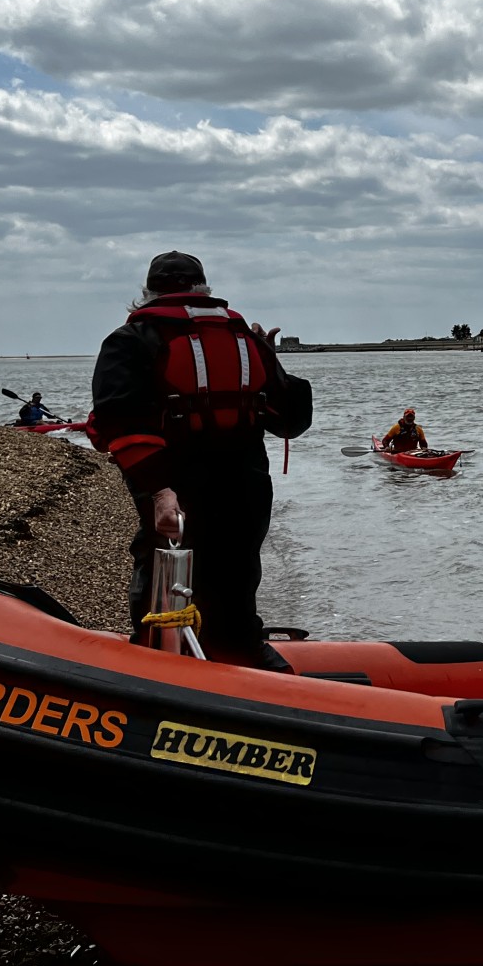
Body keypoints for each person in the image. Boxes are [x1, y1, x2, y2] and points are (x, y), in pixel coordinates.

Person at [90, 251, 313, 670]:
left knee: (165, 579)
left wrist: (159, 491)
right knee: (237, 578)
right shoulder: (246, 339)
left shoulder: (132, 339)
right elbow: (293, 421)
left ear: (148, 294)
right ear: (204, 290)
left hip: (176, 487)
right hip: (246, 486)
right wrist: (269, 355)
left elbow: (117, 421)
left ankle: (166, 666)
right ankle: (242, 655)